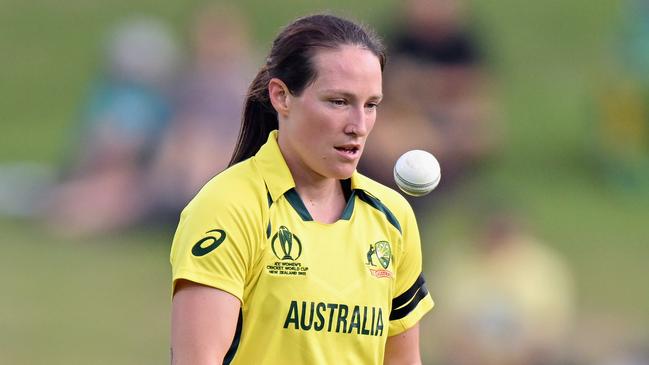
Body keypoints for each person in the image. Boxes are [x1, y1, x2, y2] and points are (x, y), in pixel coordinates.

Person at [170, 14, 434, 365]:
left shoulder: (392, 216)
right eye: (339, 101)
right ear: (281, 96)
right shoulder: (228, 207)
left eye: (371, 105)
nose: (358, 125)